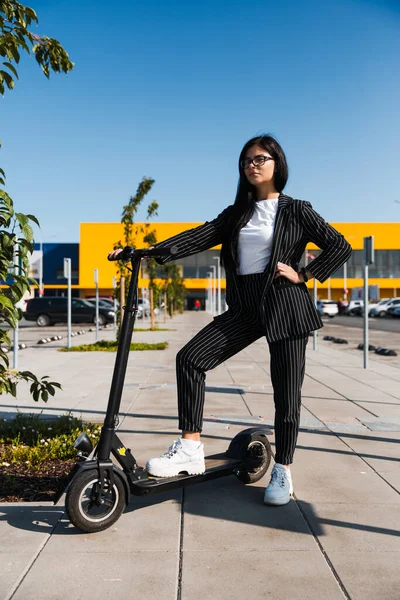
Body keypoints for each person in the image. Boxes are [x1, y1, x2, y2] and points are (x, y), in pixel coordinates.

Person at [108, 134, 352, 505]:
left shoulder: (297, 209)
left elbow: (340, 244)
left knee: (286, 397)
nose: (251, 165)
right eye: (246, 161)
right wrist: (144, 252)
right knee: (191, 358)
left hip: (286, 307)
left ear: (277, 164)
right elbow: (197, 237)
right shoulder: (236, 213)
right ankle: (190, 448)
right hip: (245, 308)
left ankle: (283, 470)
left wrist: (305, 274)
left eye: (260, 159)